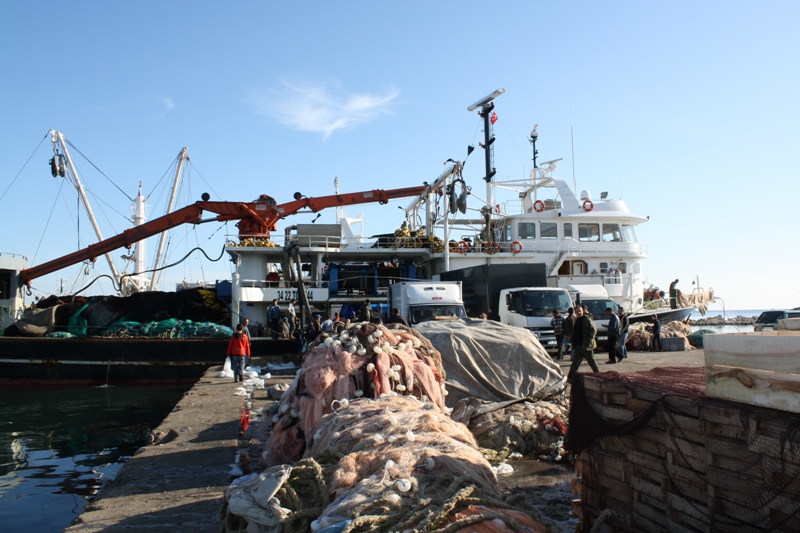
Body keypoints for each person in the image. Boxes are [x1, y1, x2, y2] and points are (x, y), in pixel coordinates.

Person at [567, 306, 599, 384]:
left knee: (592, 362)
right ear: (575, 312)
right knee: (575, 363)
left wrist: (588, 341)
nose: (579, 313)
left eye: (580, 311)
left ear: (583, 311)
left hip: (586, 347)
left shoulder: (586, 320)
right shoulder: (577, 320)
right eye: (577, 311)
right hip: (578, 346)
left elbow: (593, 330)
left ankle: (598, 376)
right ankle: (570, 378)